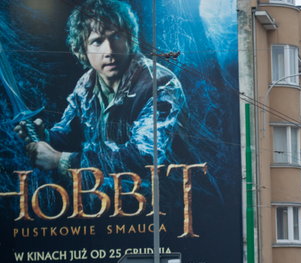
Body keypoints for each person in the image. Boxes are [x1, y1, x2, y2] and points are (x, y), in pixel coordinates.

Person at [16, 0, 185, 180]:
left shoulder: (161, 84)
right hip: (105, 199)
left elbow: (144, 158)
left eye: (117, 36)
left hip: (163, 200)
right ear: (81, 50)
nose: (109, 51)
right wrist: (47, 138)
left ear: (131, 39)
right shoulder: (87, 83)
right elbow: (70, 133)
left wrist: (61, 160)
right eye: (97, 41)